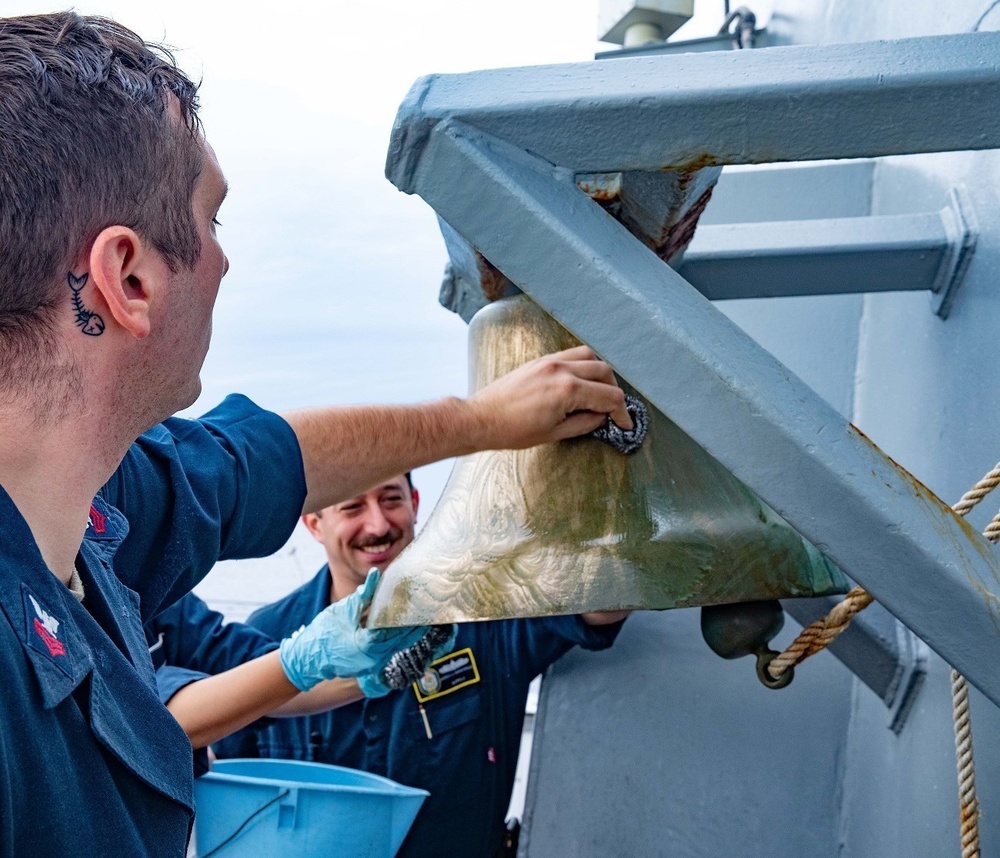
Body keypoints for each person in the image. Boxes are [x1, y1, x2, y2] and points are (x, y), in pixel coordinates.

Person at [0, 12, 630, 855]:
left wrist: (482, 422)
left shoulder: (94, 504)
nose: (223, 263)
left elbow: (250, 463)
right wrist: (299, 664)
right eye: (213, 221)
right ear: (129, 278)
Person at [215, 473, 629, 858]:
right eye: (352, 507)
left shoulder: (481, 610)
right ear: (314, 524)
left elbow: (600, 606)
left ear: (415, 502)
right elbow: (233, 798)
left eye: (391, 499)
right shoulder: (267, 641)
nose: (377, 525)